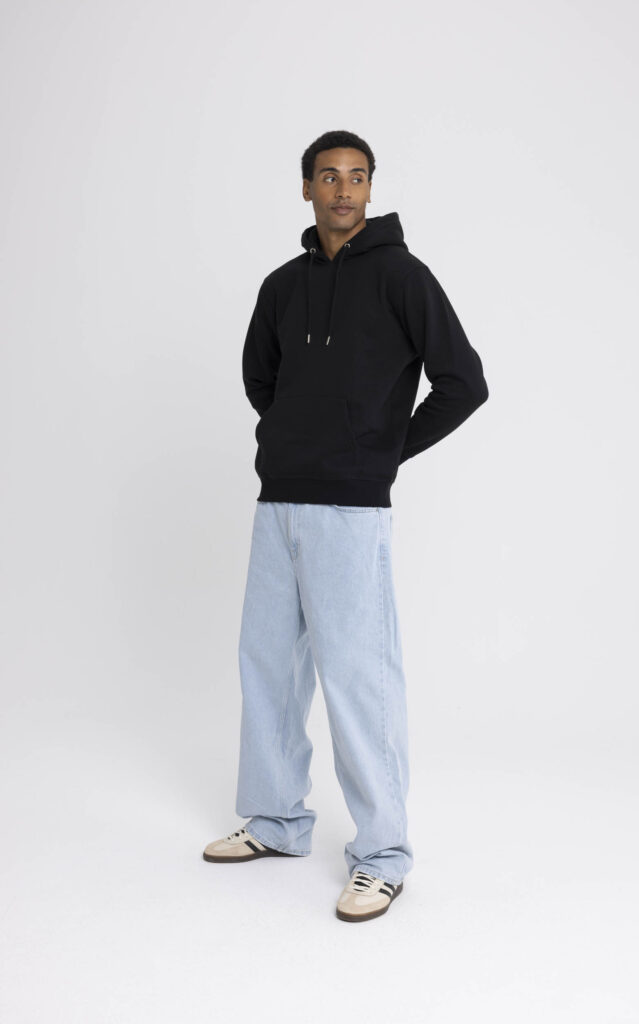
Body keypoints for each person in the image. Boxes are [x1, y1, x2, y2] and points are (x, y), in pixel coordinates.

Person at [203, 129, 489, 923]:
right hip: (278, 501)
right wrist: (296, 440)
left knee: (359, 678)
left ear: (369, 188)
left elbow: (463, 382)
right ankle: (275, 821)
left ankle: (383, 856)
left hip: (349, 509)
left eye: (356, 177)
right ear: (306, 188)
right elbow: (260, 377)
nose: (342, 190)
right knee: (267, 667)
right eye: (328, 177)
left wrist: (378, 451)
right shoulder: (280, 286)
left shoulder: (402, 276)